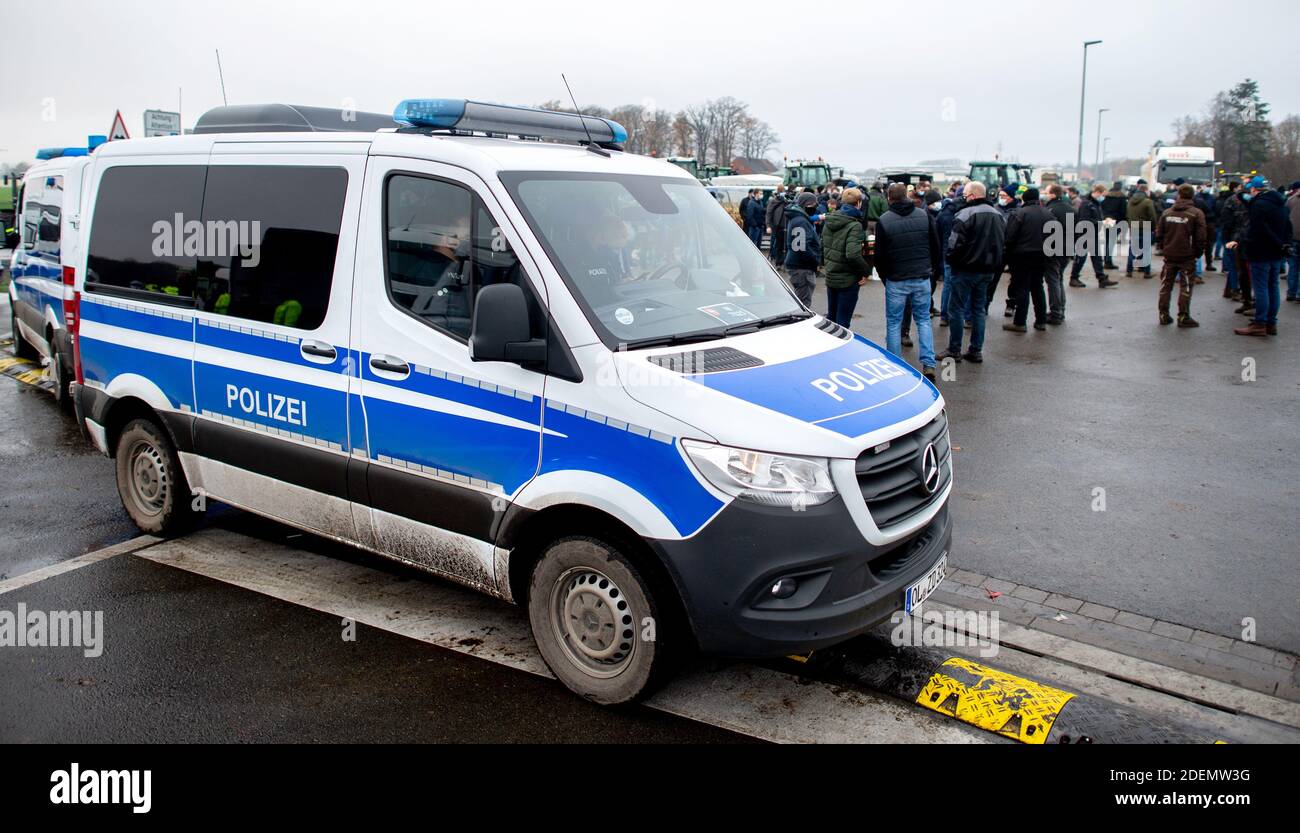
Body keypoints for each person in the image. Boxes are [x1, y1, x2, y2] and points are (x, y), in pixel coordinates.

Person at [874, 182, 940, 379]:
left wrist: (886, 277)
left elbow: (879, 256)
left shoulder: (884, 220)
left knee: (894, 322)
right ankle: (928, 363)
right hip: (921, 276)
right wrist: (930, 269)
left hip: (896, 278)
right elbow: (935, 246)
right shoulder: (923, 215)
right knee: (923, 320)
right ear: (908, 196)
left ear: (889, 198)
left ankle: (895, 363)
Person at [937, 181, 1005, 364]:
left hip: (965, 270)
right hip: (987, 270)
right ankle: (976, 350)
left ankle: (954, 349)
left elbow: (954, 244)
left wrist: (950, 262)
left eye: (965, 195)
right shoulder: (998, 215)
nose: (963, 198)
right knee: (978, 310)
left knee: (956, 309)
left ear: (973, 195)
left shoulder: (964, 214)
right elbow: (1001, 243)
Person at [1231, 176, 1289, 336]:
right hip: (1276, 252)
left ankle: (1260, 323)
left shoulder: (1258, 205)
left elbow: (1257, 228)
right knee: (1273, 287)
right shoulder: (1281, 203)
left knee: (1261, 288)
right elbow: (1287, 226)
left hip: (1260, 251)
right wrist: (1283, 244)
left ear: (1254, 190)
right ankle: (1271, 322)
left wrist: (1248, 242)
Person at [1154, 184, 1206, 327]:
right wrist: (1198, 253)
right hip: (1187, 256)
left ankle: (1163, 314)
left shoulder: (1167, 213)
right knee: (1186, 286)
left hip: (1169, 255)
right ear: (1192, 195)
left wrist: (1163, 247)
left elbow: (1159, 234)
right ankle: (1183, 316)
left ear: (1178, 194)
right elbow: (1201, 237)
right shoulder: (1196, 213)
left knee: (1166, 285)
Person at [1002, 187, 1052, 332]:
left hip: (1021, 256)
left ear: (1024, 199)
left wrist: (1008, 254)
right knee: (1037, 287)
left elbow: (1010, 237)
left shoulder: (1020, 213)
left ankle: (1020, 322)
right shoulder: (1048, 214)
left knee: (1022, 288)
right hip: (1041, 256)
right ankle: (1041, 321)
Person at [820, 187, 871, 328]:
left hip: (831, 276)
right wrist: (865, 271)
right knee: (843, 322)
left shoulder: (829, 220)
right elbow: (852, 254)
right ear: (859, 203)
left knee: (832, 318)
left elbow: (822, 245)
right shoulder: (854, 225)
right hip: (847, 279)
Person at [1071, 184, 1116, 287]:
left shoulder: (1095, 204)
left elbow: (1097, 216)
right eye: (1103, 195)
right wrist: (1101, 223)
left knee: (1097, 257)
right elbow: (1084, 220)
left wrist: (1105, 220)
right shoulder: (1087, 204)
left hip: (1093, 233)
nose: (1103, 198)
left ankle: (1101, 278)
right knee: (1081, 257)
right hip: (1085, 234)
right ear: (1098, 192)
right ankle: (1073, 278)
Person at [1042, 183, 1074, 323]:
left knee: (1053, 280)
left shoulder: (1050, 210)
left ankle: (1055, 313)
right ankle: (1061, 310)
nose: (1045, 194)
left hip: (1054, 249)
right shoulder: (1071, 209)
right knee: (1059, 279)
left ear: (1053, 195)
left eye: (1047, 192)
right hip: (1067, 249)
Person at [1219, 181, 1253, 312]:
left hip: (1234, 236)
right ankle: (1236, 290)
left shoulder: (1231, 200)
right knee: (1239, 267)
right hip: (1238, 237)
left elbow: (1225, 218)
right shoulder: (1249, 202)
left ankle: (1232, 290)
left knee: (1235, 266)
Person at [783, 191, 821, 307]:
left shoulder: (798, 218)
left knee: (801, 300)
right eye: (814, 205)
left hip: (799, 265)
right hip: (802, 267)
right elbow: (801, 248)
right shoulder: (800, 221)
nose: (815, 207)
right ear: (807, 204)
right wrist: (815, 261)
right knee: (803, 304)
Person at [1126, 179, 1157, 277]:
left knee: (1132, 249)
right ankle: (1146, 272)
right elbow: (1152, 216)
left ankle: (1129, 270)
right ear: (1146, 190)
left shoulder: (1130, 200)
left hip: (1134, 226)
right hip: (1146, 227)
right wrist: (1154, 227)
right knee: (1146, 250)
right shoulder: (1148, 201)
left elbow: (1128, 214)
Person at [1101, 180, 1128, 269]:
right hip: (1117, 220)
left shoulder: (1107, 196)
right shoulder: (1122, 197)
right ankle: (1108, 261)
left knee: (1107, 240)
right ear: (1120, 187)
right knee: (1111, 241)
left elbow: (1102, 207)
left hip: (1107, 219)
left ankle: (1106, 259)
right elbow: (1123, 211)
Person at [1194, 184, 1218, 272]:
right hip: (1198, 223)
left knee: (1209, 244)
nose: (1206, 187)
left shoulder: (1212, 198)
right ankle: (1197, 267)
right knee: (1197, 243)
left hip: (1209, 222)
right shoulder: (1196, 197)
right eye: (1204, 185)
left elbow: (1216, 210)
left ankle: (1209, 263)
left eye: (1208, 186)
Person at [765, 185, 789, 266]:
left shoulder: (787, 201)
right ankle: (778, 262)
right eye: (781, 191)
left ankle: (784, 261)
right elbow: (769, 213)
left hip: (786, 225)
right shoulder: (773, 201)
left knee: (785, 245)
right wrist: (768, 225)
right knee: (778, 245)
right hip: (777, 226)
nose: (782, 193)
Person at [1286, 181, 1300, 302]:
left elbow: (1285, 217)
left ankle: (1291, 292)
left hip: (1293, 237)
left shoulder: (1291, 200)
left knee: (1293, 267)